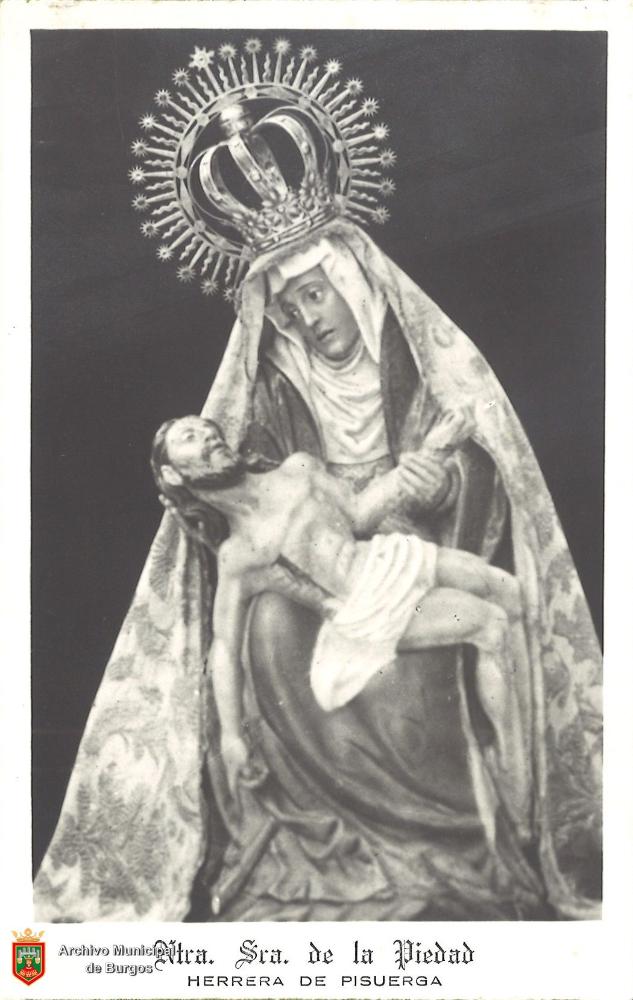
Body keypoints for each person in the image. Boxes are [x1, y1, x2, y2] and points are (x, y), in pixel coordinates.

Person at [34, 39, 601, 921]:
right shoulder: (269, 390)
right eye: (287, 307)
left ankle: (507, 836)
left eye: (315, 293)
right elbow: (262, 524)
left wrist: (443, 480)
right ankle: (333, 840)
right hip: (328, 565)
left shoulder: (416, 356)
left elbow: (484, 462)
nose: (306, 319)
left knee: (504, 604)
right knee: (270, 631)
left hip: (416, 535)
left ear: (348, 279)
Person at [152, 412, 530, 813]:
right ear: (174, 475)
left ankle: (535, 728)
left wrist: (434, 450)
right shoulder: (239, 554)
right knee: (491, 625)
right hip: (367, 609)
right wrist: (232, 736)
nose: (209, 435)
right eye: (190, 437)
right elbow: (226, 648)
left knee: (508, 590)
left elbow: (359, 513)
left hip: (381, 558)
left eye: (208, 429)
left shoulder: (298, 470)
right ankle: (513, 768)